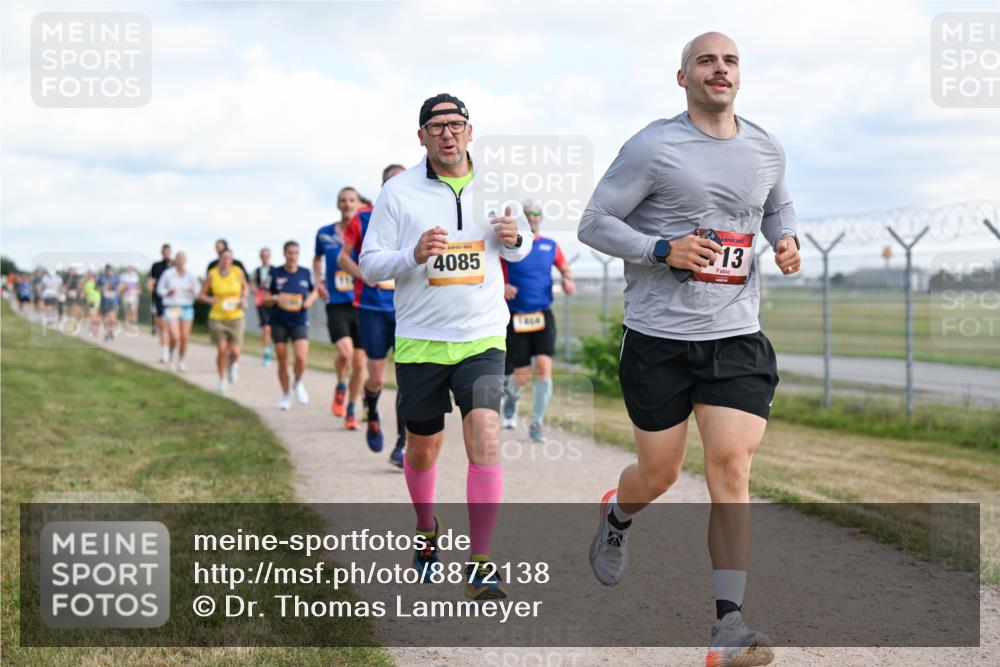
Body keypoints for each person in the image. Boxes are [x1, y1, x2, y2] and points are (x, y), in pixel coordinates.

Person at [577, 32, 801, 667]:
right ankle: (618, 516)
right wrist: (660, 249)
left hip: (734, 333)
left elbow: (777, 212)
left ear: (740, 75)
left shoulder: (766, 147)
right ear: (684, 78)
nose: (720, 69)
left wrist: (785, 243)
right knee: (660, 473)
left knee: (730, 469)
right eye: (706, 60)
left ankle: (728, 627)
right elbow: (593, 222)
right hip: (658, 339)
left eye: (730, 60)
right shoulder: (654, 145)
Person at [359, 93, 532, 600]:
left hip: (482, 335)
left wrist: (514, 239)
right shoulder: (398, 192)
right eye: (436, 127)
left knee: (485, 437)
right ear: (422, 137)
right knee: (423, 449)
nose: (447, 133)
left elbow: (517, 251)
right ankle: (426, 527)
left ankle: (480, 561)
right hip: (421, 341)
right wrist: (412, 255)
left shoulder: (498, 187)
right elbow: (371, 264)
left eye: (456, 124)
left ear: (470, 131)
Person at [338, 163, 407, 466]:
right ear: (383, 188)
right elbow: (343, 257)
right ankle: (373, 412)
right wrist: (365, 275)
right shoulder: (363, 219)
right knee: (377, 376)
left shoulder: (415, 216)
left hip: (406, 308)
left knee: (408, 379)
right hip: (370, 308)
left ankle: (403, 443)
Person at [500, 200, 576, 441]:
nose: (532, 217)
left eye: (536, 214)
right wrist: (502, 286)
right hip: (516, 315)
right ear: (522, 218)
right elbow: (493, 271)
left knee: (544, 368)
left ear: (540, 218)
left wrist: (567, 279)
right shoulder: (508, 246)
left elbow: (565, 268)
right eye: (528, 214)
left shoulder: (550, 246)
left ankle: (537, 423)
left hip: (542, 314)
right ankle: (511, 400)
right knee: (521, 375)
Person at [315, 186, 367, 429]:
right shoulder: (324, 234)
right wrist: (318, 282)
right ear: (338, 204)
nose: (347, 204)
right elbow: (316, 259)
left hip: (361, 303)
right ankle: (340, 384)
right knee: (345, 353)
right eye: (343, 200)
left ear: (358, 204)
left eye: (351, 200)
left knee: (359, 364)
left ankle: (351, 408)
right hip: (336, 303)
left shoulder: (365, 232)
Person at [263, 241, 319, 411]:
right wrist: (275, 299)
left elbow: (316, 289)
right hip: (279, 320)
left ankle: (297, 382)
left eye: (295, 253)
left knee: (301, 357)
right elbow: (263, 297)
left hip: (299, 320)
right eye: (290, 252)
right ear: (284, 254)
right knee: (282, 359)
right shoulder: (274, 273)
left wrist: (309, 301)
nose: (293, 256)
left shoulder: (305, 273)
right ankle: (286, 395)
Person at [199, 249, 248, 394]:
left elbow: (245, 288)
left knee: (235, 351)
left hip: (236, 317)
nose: (227, 261)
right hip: (218, 317)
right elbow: (202, 295)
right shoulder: (212, 274)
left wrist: (244, 299)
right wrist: (210, 299)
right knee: (221, 350)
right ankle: (222, 380)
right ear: (220, 259)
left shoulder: (237, 272)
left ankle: (232, 365)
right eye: (224, 258)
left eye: (229, 258)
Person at [156, 252, 201, 372]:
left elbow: (198, 291)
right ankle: (171, 357)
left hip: (186, 307)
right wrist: (168, 292)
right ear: (175, 260)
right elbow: (159, 289)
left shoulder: (191, 275)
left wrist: (193, 291)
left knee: (185, 337)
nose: (181, 261)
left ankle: (181, 360)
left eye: (183, 259)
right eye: (179, 259)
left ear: (185, 261)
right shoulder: (168, 274)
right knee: (175, 336)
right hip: (172, 307)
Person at [149, 244, 173, 363]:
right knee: (163, 327)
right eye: (165, 251)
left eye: (168, 251)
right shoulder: (156, 266)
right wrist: (151, 289)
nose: (166, 253)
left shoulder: (174, 266)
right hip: (159, 299)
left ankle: (170, 351)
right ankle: (164, 353)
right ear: (162, 252)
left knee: (172, 328)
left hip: (174, 301)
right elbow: (151, 282)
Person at [252, 247, 274, 366]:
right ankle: (266, 352)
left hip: (273, 303)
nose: (265, 258)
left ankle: (271, 347)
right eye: (263, 256)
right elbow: (251, 285)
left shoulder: (275, 270)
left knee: (273, 329)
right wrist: (257, 291)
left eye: (267, 255)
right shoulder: (256, 271)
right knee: (266, 328)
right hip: (261, 302)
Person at [96, 264, 122, 341]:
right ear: (105, 271)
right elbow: (96, 288)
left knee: (112, 318)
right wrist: (102, 288)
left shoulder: (116, 278)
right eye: (107, 271)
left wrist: (118, 290)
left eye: (110, 271)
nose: (109, 272)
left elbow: (121, 287)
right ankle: (107, 333)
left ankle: (111, 330)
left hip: (114, 301)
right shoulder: (101, 278)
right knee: (106, 319)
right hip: (104, 301)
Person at [119, 265, 141, 330]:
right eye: (129, 269)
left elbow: (138, 285)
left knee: (133, 309)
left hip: (134, 295)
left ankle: (134, 323)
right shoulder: (123, 276)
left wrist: (139, 290)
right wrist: (122, 291)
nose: (130, 270)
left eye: (131, 269)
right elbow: (121, 286)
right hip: (126, 295)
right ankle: (127, 323)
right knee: (127, 309)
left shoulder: (135, 276)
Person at [82, 271, 101, 337]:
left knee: (93, 316)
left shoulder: (89, 283)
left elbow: (85, 292)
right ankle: (94, 329)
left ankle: (94, 329)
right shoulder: (90, 283)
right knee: (94, 316)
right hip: (93, 300)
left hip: (93, 300)